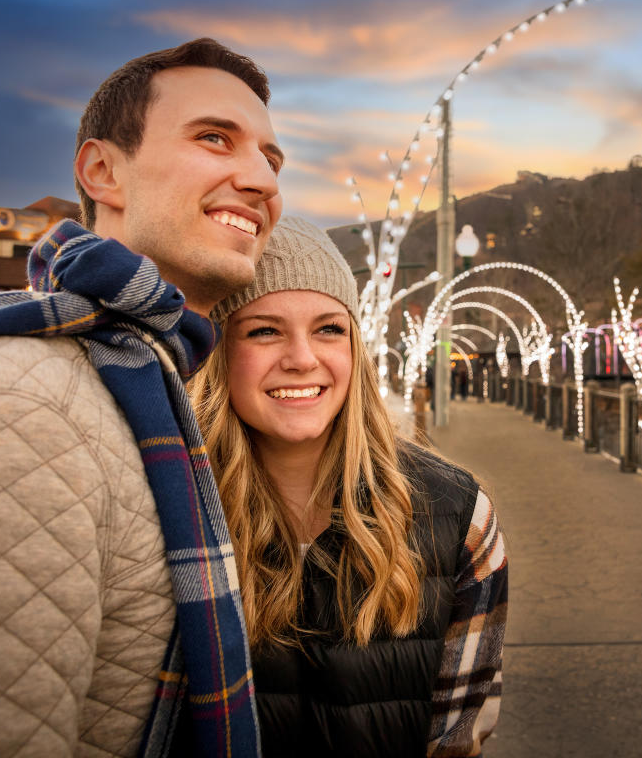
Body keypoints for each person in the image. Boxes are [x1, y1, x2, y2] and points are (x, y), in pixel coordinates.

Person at [0, 38, 281, 756]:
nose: (262, 180)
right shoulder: (4, 407)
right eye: (215, 138)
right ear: (103, 171)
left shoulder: (138, 383)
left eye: (272, 159)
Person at [190, 216, 507, 757]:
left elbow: (457, 741)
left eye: (329, 329)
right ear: (219, 351)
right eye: (264, 330)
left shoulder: (459, 515)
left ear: (355, 346)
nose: (302, 359)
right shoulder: (170, 509)